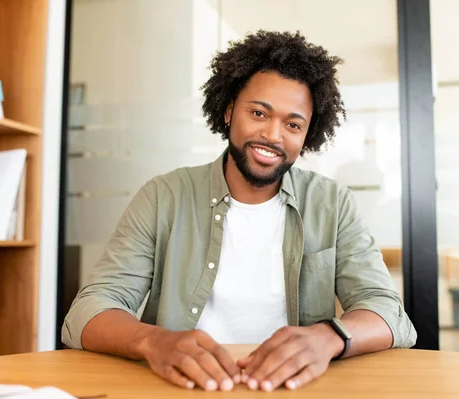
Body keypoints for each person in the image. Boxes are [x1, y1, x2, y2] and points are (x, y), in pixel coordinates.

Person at [62, 30, 416, 392]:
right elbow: (88, 311)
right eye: (259, 113)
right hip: (181, 387)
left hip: (294, 388)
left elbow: (389, 314)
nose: (273, 135)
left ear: (307, 136)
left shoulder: (332, 203)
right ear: (229, 110)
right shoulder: (163, 197)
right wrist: (154, 342)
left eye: (293, 124)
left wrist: (328, 337)